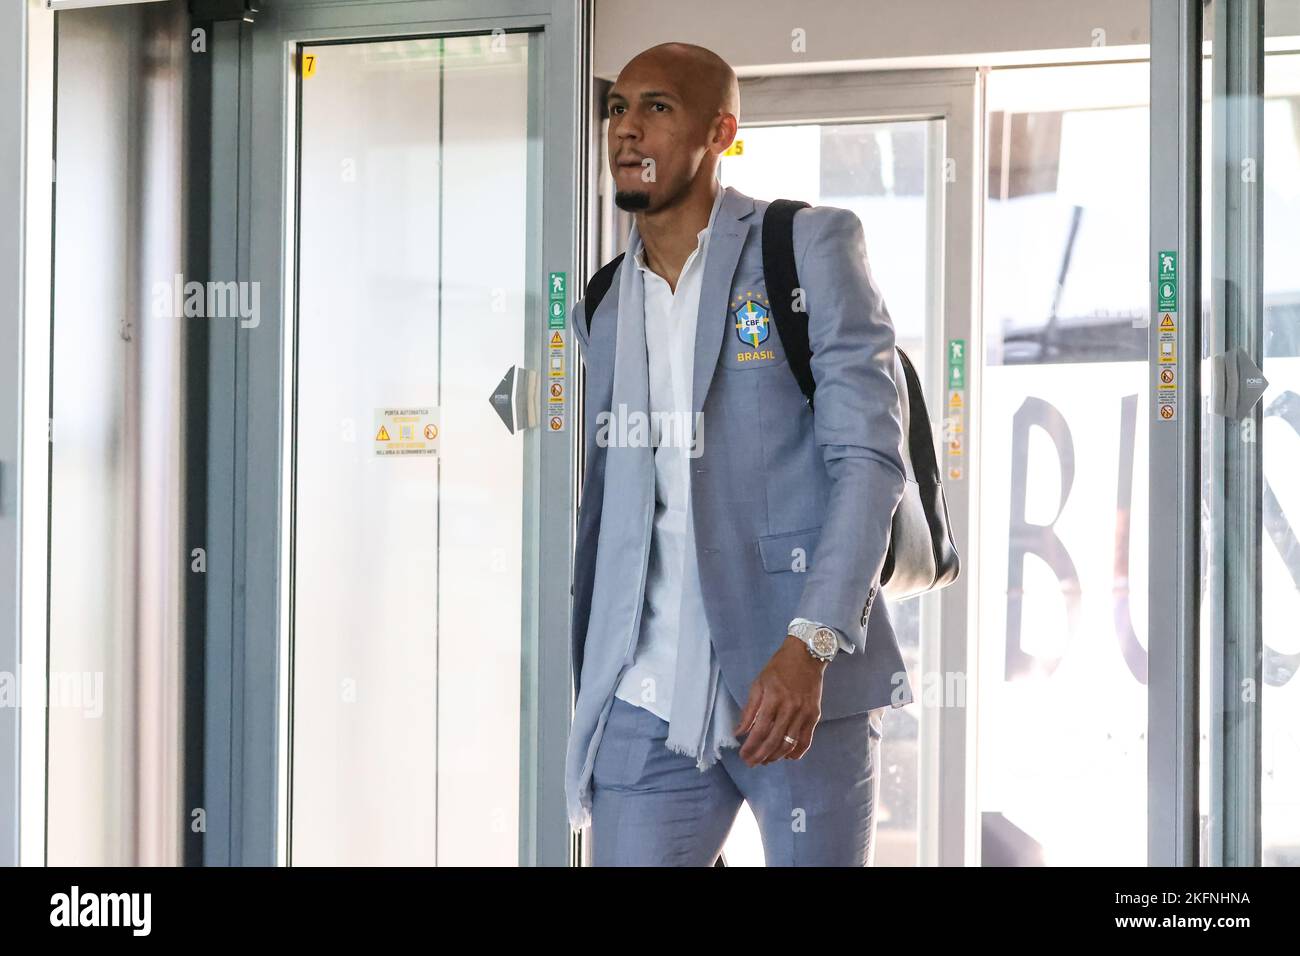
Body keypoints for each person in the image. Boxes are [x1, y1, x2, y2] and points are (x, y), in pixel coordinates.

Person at [564, 41, 912, 866]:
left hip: (791, 690)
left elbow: (868, 462)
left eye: (657, 108)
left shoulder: (806, 248)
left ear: (719, 132)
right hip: (645, 697)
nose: (626, 130)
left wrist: (811, 643)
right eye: (618, 109)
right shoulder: (604, 301)